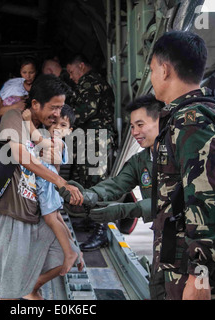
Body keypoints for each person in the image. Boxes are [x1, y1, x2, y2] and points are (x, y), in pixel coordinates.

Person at [0, 74, 83, 300]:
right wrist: (60, 181)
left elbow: (51, 180)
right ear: (35, 104)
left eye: (61, 107)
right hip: (13, 214)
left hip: (38, 215)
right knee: (11, 289)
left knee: (67, 255)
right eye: (54, 107)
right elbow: (19, 154)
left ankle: (31, 290)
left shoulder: (48, 130)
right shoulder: (14, 117)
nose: (58, 113)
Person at [149, 31, 215, 300]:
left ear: (164, 70)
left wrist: (199, 273)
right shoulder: (191, 115)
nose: (151, 77)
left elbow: (207, 197)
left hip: (192, 272)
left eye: (152, 69)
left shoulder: (191, 120)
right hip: (178, 262)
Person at [64, 94, 166, 300]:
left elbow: (177, 202)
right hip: (163, 243)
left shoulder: (180, 155)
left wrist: (128, 210)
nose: (135, 132)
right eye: (132, 126)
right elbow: (117, 184)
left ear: (160, 121)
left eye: (140, 125)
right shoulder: (141, 160)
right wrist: (89, 195)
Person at [22, 104, 84, 276]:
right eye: (54, 123)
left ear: (70, 131)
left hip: (48, 185)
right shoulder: (54, 140)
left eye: (63, 125)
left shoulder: (58, 143)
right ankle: (74, 248)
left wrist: (28, 121)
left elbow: (39, 141)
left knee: (51, 218)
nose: (57, 128)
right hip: (50, 185)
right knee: (57, 218)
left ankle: (70, 252)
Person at [66, 53, 116, 251]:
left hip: (97, 139)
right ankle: (90, 219)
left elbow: (86, 110)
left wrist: (62, 121)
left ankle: (100, 230)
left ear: (81, 66)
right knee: (86, 181)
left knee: (97, 183)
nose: (71, 76)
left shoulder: (90, 81)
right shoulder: (87, 82)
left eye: (71, 72)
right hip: (89, 139)